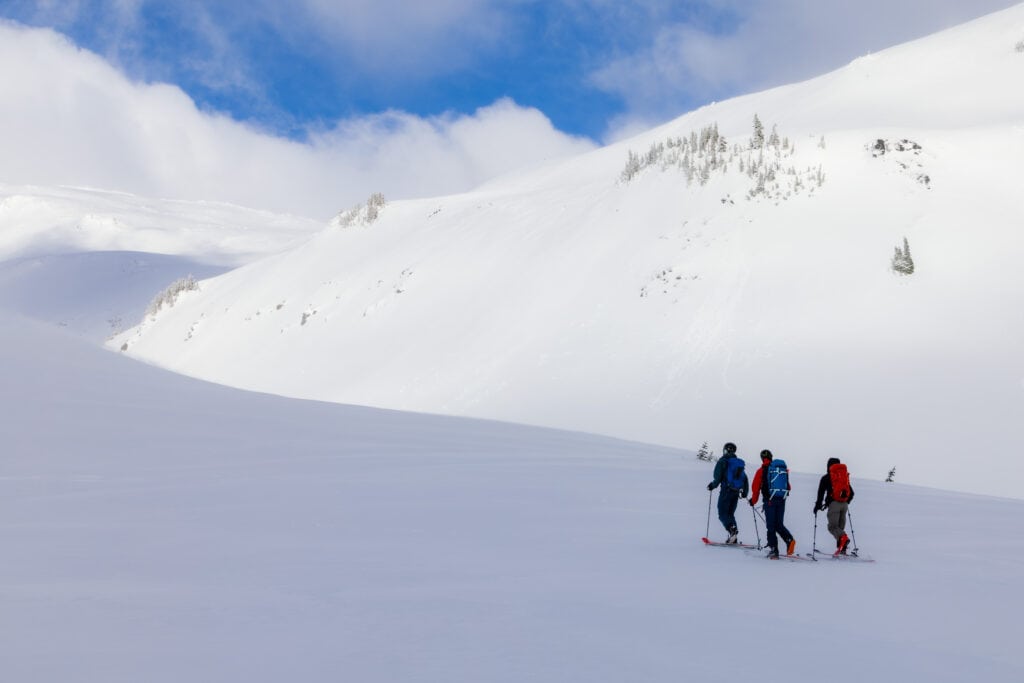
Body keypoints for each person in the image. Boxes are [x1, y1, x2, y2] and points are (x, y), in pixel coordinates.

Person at [750, 449, 795, 558]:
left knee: (770, 526)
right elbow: (788, 487)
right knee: (779, 524)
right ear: (771, 457)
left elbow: (755, 488)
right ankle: (789, 540)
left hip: (769, 500)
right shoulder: (780, 469)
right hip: (781, 499)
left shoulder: (761, 471)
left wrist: (753, 501)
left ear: (762, 458)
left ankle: (774, 550)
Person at [707, 442, 748, 543]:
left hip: (726, 490)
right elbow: (745, 479)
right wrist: (745, 492)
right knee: (730, 514)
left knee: (722, 513)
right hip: (736, 491)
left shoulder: (723, 461)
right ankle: (733, 537)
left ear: (725, 450)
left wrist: (712, 485)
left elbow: (718, 477)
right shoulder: (738, 463)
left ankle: (732, 530)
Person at [814, 457, 855, 555]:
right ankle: (842, 550)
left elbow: (820, 493)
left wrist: (817, 506)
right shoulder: (843, 478)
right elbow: (852, 493)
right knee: (839, 529)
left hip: (834, 504)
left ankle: (843, 540)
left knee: (832, 527)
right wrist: (845, 501)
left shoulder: (826, 478)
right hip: (844, 505)